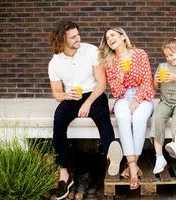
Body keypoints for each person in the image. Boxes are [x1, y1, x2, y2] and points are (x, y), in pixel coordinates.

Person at [48, 20, 122, 200]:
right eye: (73, 37)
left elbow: (102, 83)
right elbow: (57, 93)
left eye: (78, 34)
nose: (78, 39)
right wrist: (67, 96)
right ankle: (64, 173)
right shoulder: (55, 62)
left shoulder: (90, 51)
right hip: (73, 96)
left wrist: (87, 103)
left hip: (94, 94)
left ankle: (112, 159)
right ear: (62, 40)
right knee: (58, 121)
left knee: (102, 117)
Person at [99, 28, 155, 190]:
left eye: (113, 35)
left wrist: (137, 101)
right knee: (123, 117)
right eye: (107, 38)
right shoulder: (110, 61)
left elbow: (147, 80)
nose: (109, 39)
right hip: (123, 97)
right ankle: (133, 167)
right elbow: (116, 91)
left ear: (123, 36)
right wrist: (122, 74)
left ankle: (131, 166)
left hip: (143, 96)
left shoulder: (139, 54)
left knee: (138, 119)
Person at [150, 36, 176, 174]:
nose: (169, 58)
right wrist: (155, 80)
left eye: (171, 54)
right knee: (156, 117)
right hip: (166, 102)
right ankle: (159, 157)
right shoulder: (162, 67)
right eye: (166, 56)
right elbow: (154, 88)